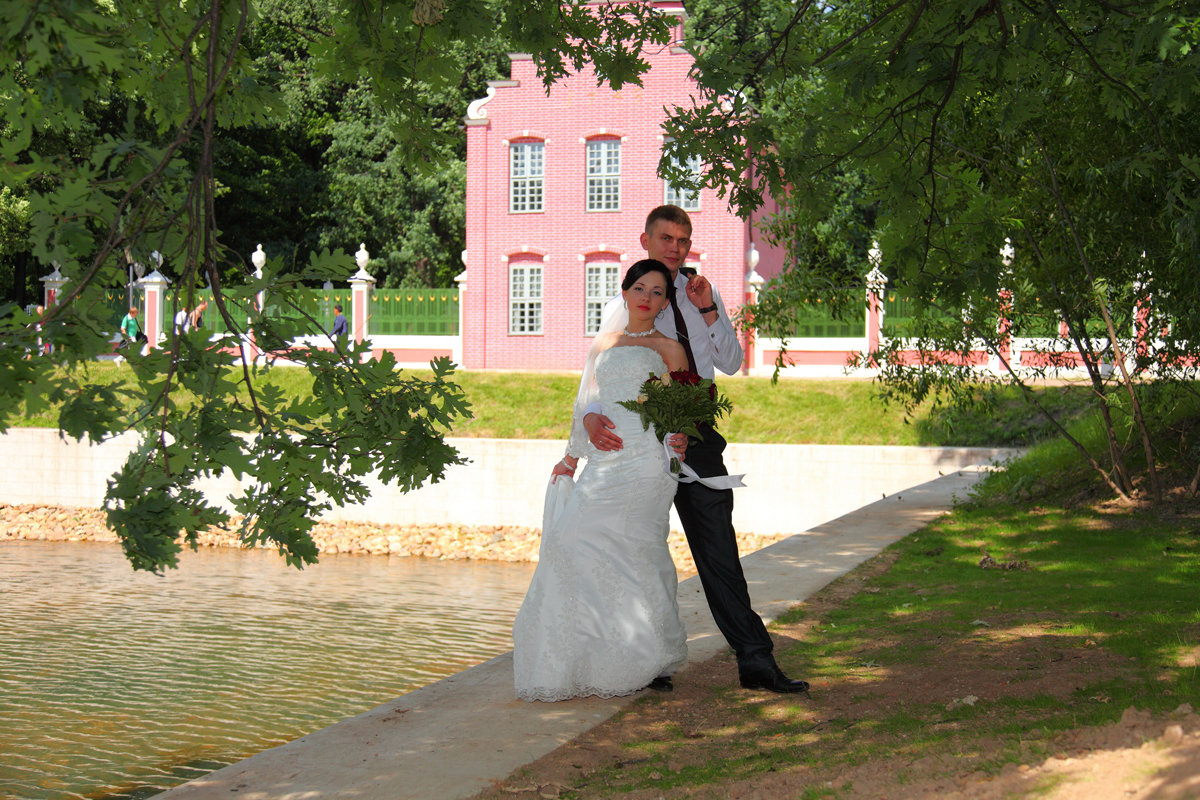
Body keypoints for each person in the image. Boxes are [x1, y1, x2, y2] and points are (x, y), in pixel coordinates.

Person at [584, 205, 811, 695]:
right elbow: (599, 372)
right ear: (645, 240)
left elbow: (730, 362)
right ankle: (645, 659)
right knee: (637, 547)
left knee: (718, 549)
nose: (675, 248)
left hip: (698, 437)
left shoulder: (700, 293)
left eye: (683, 240)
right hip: (638, 444)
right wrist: (588, 417)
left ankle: (756, 661)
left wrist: (708, 310)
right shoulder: (628, 299)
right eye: (666, 238)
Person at [513, 260, 691, 702]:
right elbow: (587, 402)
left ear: (665, 302)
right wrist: (573, 453)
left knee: (638, 552)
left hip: (649, 463)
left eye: (656, 292)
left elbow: (686, 408)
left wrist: (680, 434)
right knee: (568, 542)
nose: (646, 298)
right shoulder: (605, 341)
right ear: (626, 291)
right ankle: (587, 658)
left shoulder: (670, 348)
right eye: (639, 288)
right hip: (605, 460)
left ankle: (649, 657)